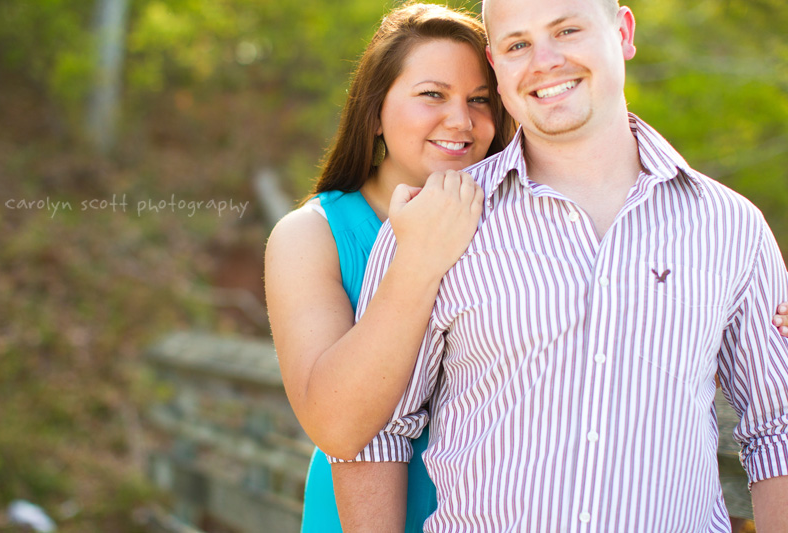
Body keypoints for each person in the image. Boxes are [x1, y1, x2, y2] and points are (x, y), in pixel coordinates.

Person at [330, 0, 788, 531]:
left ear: (623, 32)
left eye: (567, 30)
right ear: (495, 66)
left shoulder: (731, 226)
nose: (544, 61)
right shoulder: (433, 224)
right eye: (518, 44)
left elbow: (777, 425)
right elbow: (377, 429)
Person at [264, 4, 515, 531]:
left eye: (479, 100)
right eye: (432, 94)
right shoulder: (310, 236)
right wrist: (419, 259)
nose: (461, 121)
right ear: (375, 111)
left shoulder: (519, 225)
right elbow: (334, 423)